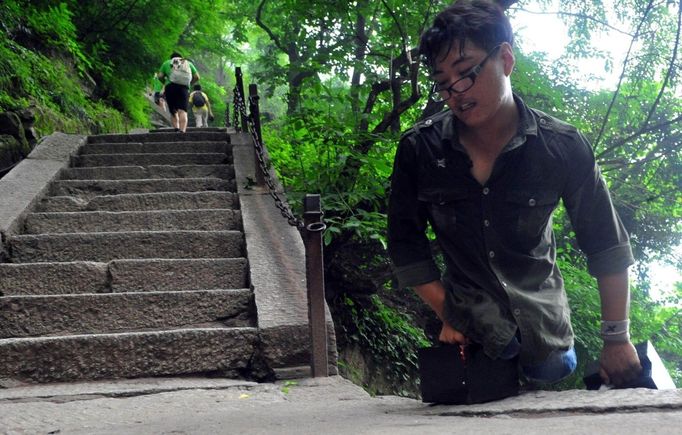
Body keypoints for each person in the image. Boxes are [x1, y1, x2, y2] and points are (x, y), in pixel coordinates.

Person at [387, 0, 642, 387]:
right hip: (472, 342)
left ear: (505, 59)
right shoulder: (420, 150)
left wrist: (617, 338)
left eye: (466, 72)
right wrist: (449, 313)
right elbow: (406, 245)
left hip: (548, 343)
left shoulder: (562, 147)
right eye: (442, 82)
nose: (456, 92)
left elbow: (606, 245)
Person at [157, 52, 200, 132]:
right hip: (183, 88)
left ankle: (176, 129)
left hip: (170, 88)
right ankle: (182, 131)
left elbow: (160, 76)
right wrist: (190, 83)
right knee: (182, 110)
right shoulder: (188, 63)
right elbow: (197, 77)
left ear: (171, 58)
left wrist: (165, 83)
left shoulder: (167, 63)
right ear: (181, 57)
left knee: (173, 110)